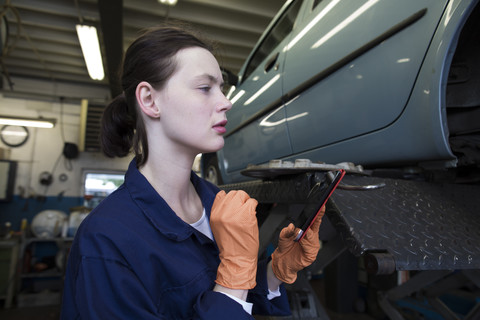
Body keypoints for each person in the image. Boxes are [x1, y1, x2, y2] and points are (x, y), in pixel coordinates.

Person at [61, 24, 324, 319]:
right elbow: (229, 289)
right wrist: (235, 276)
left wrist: (274, 272)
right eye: (205, 88)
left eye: (222, 88)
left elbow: (232, 295)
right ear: (149, 100)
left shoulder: (218, 202)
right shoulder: (106, 239)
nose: (226, 102)